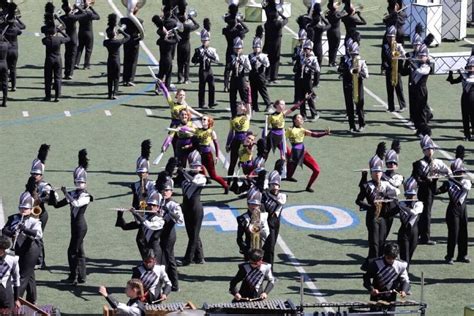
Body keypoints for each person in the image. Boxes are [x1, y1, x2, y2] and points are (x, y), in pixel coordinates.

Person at [51, 149, 93, 285]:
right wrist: (52, 194)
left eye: (81, 183)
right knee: (79, 250)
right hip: (74, 226)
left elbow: (75, 203)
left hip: (80, 226)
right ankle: (82, 276)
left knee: (72, 251)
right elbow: (57, 205)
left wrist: (66, 193)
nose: (79, 185)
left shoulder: (86, 196)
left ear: (85, 183)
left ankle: (73, 277)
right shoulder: (73, 193)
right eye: (77, 182)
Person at [356, 148, 399, 271]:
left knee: (381, 243)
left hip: (383, 218)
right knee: (374, 244)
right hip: (373, 217)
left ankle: (373, 265)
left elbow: (396, 192)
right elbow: (358, 200)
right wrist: (370, 207)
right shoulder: (367, 186)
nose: (378, 174)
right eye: (375, 172)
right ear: (371, 173)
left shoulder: (385, 184)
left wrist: (389, 197)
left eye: (379, 172)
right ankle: (373, 269)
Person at [2, 186, 43, 304]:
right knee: (29, 275)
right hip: (19, 249)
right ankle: (32, 299)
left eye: (26, 208)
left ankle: (14, 300)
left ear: (31, 208)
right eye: (21, 207)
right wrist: (12, 232)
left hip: (31, 250)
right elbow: (4, 230)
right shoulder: (14, 218)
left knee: (22, 276)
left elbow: (38, 234)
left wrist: (24, 229)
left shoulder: (34, 220)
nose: (23, 210)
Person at [412, 135, 451, 245]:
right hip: (424, 191)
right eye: (427, 149)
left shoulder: (438, 162)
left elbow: (448, 172)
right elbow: (417, 178)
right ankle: (424, 237)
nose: (430, 151)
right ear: (423, 151)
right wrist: (427, 180)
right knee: (425, 214)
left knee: (425, 214)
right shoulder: (419, 163)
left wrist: (447, 175)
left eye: (431, 149)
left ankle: (420, 234)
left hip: (432, 191)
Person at [435, 145, 471, 264]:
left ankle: (462, 255)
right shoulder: (448, 183)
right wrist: (433, 181)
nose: (461, 174)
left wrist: (451, 179)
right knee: (453, 234)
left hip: (463, 210)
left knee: (463, 233)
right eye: (459, 172)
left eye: (462, 172)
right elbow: (438, 191)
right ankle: (449, 256)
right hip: (452, 210)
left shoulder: (466, 181)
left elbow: (464, 188)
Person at [284, 114, 330, 192]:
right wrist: (286, 153)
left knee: (317, 170)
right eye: (299, 117)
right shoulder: (289, 130)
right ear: (294, 120)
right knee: (287, 175)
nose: (301, 119)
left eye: (302, 118)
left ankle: (308, 187)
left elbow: (315, 135)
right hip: (294, 155)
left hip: (303, 153)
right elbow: (283, 141)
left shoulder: (303, 130)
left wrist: (325, 133)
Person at [177, 151, 206, 266]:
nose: (195, 168)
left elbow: (194, 182)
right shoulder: (185, 176)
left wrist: (184, 172)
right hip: (186, 208)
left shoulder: (202, 177)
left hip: (196, 209)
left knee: (194, 235)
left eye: (197, 166)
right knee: (192, 234)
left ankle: (188, 259)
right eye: (193, 166)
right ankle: (199, 257)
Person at [363, 243, 409, 313]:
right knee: (375, 314)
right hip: (376, 295)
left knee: (390, 314)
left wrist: (404, 290)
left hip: (391, 296)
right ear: (384, 255)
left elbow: (405, 280)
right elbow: (366, 278)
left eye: (393, 258)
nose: (390, 260)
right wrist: (371, 289)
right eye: (388, 258)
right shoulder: (376, 263)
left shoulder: (401, 265)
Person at [156, 173, 183, 292]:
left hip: (169, 234)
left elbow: (180, 219)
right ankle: (165, 283)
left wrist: (169, 212)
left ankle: (175, 284)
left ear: (171, 191)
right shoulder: (161, 202)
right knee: (162, 260)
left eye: (167, 190)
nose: (165, 192)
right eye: (163, 190)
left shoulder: (173, 204)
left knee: (170, 258)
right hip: (162, 233)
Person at [29, 144, 55, 269]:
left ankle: (40, 261)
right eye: (33, 173)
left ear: (41, 175)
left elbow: (51, 198)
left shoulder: (45, 185)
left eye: (37, 174)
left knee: (38, 236)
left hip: (41, 213)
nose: (34, 176)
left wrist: (40, 199)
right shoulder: (30, 183)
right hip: (32, 214)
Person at [338, 41, 368, 133]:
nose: (353, 56)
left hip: (358, 85)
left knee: (359, 105)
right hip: (347, 84)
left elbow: (366, 75)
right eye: (352, 53)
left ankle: (362, 124)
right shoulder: (344, 60)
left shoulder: (361, 62)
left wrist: (359, 71)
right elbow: (339, 70)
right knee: (349, 106)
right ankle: (352, 126)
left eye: (355, 54)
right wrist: (345, 67)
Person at [195, 115, 229, 193]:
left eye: (204, 119)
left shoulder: (211, 132)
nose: (202, 120)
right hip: (200, 154)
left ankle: (225, 185)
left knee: (213, 176)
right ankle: (205, 180)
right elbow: (190, 131)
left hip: (207, 155)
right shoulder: (198, 130)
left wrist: (217, 156)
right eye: (202, 119)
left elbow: (216, 144)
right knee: (199, 169)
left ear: (209, 122)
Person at [41, 14, 70, 102]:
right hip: (58, 59)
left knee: (48, 79)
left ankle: (48, 96)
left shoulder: (46, 40)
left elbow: (44, 39)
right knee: (58, 78)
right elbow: (68, 38)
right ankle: (57, 96)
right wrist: (60, 31)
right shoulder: (59, 39)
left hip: (49, 59)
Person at [395, 176, 423, 267]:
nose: (411, 197)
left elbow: (414, 213)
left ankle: (403, 273)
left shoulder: (419, 204)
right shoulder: (401, 203)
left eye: (413, 195)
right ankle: (404, 276)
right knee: (404, 257)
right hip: (403, 232)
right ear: (406, 195)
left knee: (409, 256)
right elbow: (390, 212)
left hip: (414, 232)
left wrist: (402, 207)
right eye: (409, 195)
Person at [191, 19, 219, 109]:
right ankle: (201, 103)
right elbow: (193, 61)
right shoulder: (198, 50)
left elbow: (217, 60)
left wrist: (209, 56)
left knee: (212, 86)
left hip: (209, 70)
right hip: (202, 70)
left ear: (209, 41)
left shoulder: (212, 50)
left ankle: (211, 102)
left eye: (206, 41)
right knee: (202, 87)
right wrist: (199, 57)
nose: (204, 43)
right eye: (203, 41)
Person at [446, 55, 474, 141]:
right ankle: (467, 135)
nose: (470, 68)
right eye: (469, 66)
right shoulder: (464, 75)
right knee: (465, 117)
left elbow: (470, 81)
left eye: (472, 66)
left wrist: (462, 74)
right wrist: (450, 73)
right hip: (464, 99)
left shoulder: (465, 76)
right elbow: (452, 82)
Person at [407, 42, 432, 136]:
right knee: (415, 111)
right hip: (415, 89)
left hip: (421, 91)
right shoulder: (419, 63)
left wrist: (412, 63)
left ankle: (426, 131)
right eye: (420, 56)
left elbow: (420, 71)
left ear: (427, 57)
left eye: (423, 56)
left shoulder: (427, 66)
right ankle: (418, 128)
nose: (420, 58)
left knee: (421, 112)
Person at [222, 4, 249, 92]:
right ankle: (240, 84)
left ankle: (226, 86)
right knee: (240, 68)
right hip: (238, 50)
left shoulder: (226, 30)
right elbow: (247, 29)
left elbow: (226, 19)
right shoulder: (238, 32)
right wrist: (239, 21)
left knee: (227, 69)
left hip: (229, 49)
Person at [262, 172, 286, 266]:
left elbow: (280, 202)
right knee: (271, 248)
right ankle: (269, 269)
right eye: (273, 185)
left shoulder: (282, 196)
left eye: (277, 185)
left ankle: (261, 258)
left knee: (270, 246)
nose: (275, 187)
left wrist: (268, 192)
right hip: (265, 222)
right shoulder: (264, 196)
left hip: (275, 223)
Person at [103, 14, 130, 100]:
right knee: (116, 78)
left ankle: (109, 94)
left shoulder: (106, 42)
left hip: (109, 61)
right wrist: (121, 31)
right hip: (116, 61)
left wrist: (114, 33)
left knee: (110, 78)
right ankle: (115, 93)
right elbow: (127, 37)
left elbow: (108, 37)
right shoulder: (118, 42)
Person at [236, 190, 269, 259]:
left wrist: (261, 225)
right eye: (252, 204)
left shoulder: (264, 216)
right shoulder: (242, 218)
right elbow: (239, 238)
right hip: (249, 248)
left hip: (261, 247)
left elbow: (266, 234)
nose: (254, 207)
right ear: (248, 205)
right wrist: (245, 249)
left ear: (259, 206)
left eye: (256, 205)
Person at [381, 25, 406, 113]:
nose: (390, 39)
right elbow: (383, 58)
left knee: (399, 88)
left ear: (395, 37)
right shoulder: (385, 46)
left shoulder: (398, 46)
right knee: (389, 89)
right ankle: (391, 107)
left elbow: (404, 56)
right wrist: (385, 66)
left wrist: (398, 57)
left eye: (392, 37)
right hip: (389, 69)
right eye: (389, 37)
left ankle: (402, 105)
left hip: (397, 69)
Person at [60, 0, 87, 80]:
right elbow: (84, 14)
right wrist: (78, 7)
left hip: (66, 38)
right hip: (74, 39)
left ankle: (66, 73)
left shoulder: (62, 17)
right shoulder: (73, 17)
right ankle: (70, 74)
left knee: (67, 55)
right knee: (72, 56)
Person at [263, 1, 288, 83]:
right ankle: (273, 77)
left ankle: (267, 75)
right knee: (275, 60)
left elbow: (266, 9)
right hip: (276, 42)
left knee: (268, 59)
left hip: (268, 41)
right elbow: (286, 19)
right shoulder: (278, 23)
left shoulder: (266, 24)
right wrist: (280, 13)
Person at [226, 102, 252, 180]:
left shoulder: (247, 116)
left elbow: (249, 107)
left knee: (246, 163)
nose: (242, 106)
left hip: (245, 141)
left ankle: (249, 180)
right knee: (232, 163)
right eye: (241, 105)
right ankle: (228, 182)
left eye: (243, 105)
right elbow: (231, 132)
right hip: (236, 141)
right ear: (237, 107)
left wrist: (248, 95)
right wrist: (228, 144)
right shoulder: (233, 118)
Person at [295, 40, 319, 121]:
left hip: (308, 79)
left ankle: (314, 114)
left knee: (309, 97)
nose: (305, 50)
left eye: (307, 49)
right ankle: (303, 115)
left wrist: (308, 65)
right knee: (301, 98)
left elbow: (317, 69)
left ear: (311, 50)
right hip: (300, 79)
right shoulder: (302, 56)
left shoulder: (313, 59)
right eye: (304, 49)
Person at [249, 26, 271, 113]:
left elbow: (267, 64)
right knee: (253, 92)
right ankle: (255, 106)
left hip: (260, 75)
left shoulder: (263, 56)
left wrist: (261, 60)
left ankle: (268, 104)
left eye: (258, 47)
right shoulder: (250, 56)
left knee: (263, 90)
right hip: (252, 75)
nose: (256, 49)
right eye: (255, 47)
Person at [227, 37, 250, 118]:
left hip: (242, 79)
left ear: (242, 48)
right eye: (236, 48)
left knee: (244, 97)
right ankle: (233, 114)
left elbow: (249, 68)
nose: (237, 50)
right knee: (232, 97)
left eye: (239, 48)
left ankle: (244, 114)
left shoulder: (245, 57)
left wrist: (242, 63)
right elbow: (228, 68)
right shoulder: (231, 57)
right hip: (234, 79)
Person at [4, 2, 25, 91]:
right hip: (14, 50)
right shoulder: (16, 28)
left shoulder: (4, 27)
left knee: (5, 68)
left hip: (6, 50)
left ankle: (4, 83)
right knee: (13, 69)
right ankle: (13, 86)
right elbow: (23, 27)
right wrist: (17, 19)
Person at [120, 8, 143, 86]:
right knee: (133, 61)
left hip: (126, 41)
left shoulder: (123, 20)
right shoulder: (139, 21)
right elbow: (141, 32)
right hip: (135, 42)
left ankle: (124, 79)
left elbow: (119, 25)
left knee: (126, 59)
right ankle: (130, 79)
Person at [74, 0, 100, 69]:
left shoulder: (79, 13)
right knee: (88, 49)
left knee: (80, 48)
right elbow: (98, 17)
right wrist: (91, 8)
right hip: (89, 33)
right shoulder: (89, 13)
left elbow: (74, 16)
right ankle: (86, 65)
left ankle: (76, 63)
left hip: (81, 32)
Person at [176, 12, 199, 84]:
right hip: (186, 45)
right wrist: (191, 18)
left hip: (179, 45)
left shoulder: (178, 27)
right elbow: (197, 25)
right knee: (186, 62)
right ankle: (186, 79)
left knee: (179, 62)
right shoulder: (188, 26)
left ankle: (180, 78)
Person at [0, 236, 21, 311]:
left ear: (3, 249)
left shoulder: (12, 259)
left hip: (5, 295)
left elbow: (16, 279)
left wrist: (16, 299)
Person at [325, 0, 343, 67]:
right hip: (336, 32)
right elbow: (345, 12)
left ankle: (330, 61)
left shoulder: (328, 13)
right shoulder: (337, 13)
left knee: (330, 46)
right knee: (335, 47)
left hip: (329, 31)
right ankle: (333, 61)